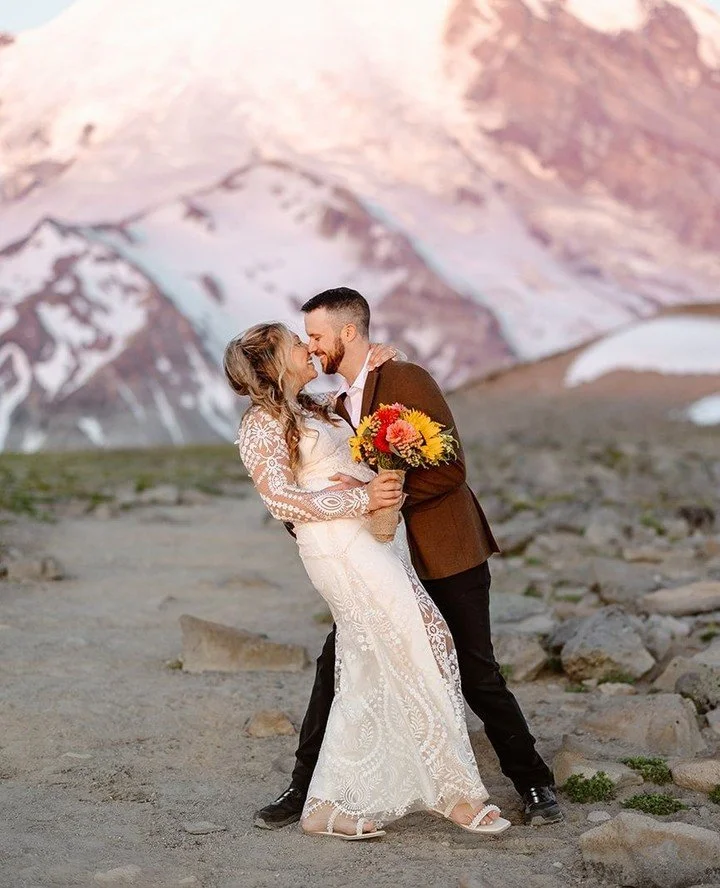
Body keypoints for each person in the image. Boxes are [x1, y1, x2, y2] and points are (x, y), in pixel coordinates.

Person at [254, 288, 563, 830]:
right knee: (339, 667)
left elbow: (450, 470)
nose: (312, 345)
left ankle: (533, 781)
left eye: (318, 336)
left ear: (348, 333)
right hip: (374, 562)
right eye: (305, 339)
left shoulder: (404, 380)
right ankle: (304, 788)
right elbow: (303, 481)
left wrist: (385, 500)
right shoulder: (327, 403)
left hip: (444, 549)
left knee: (474, 669)